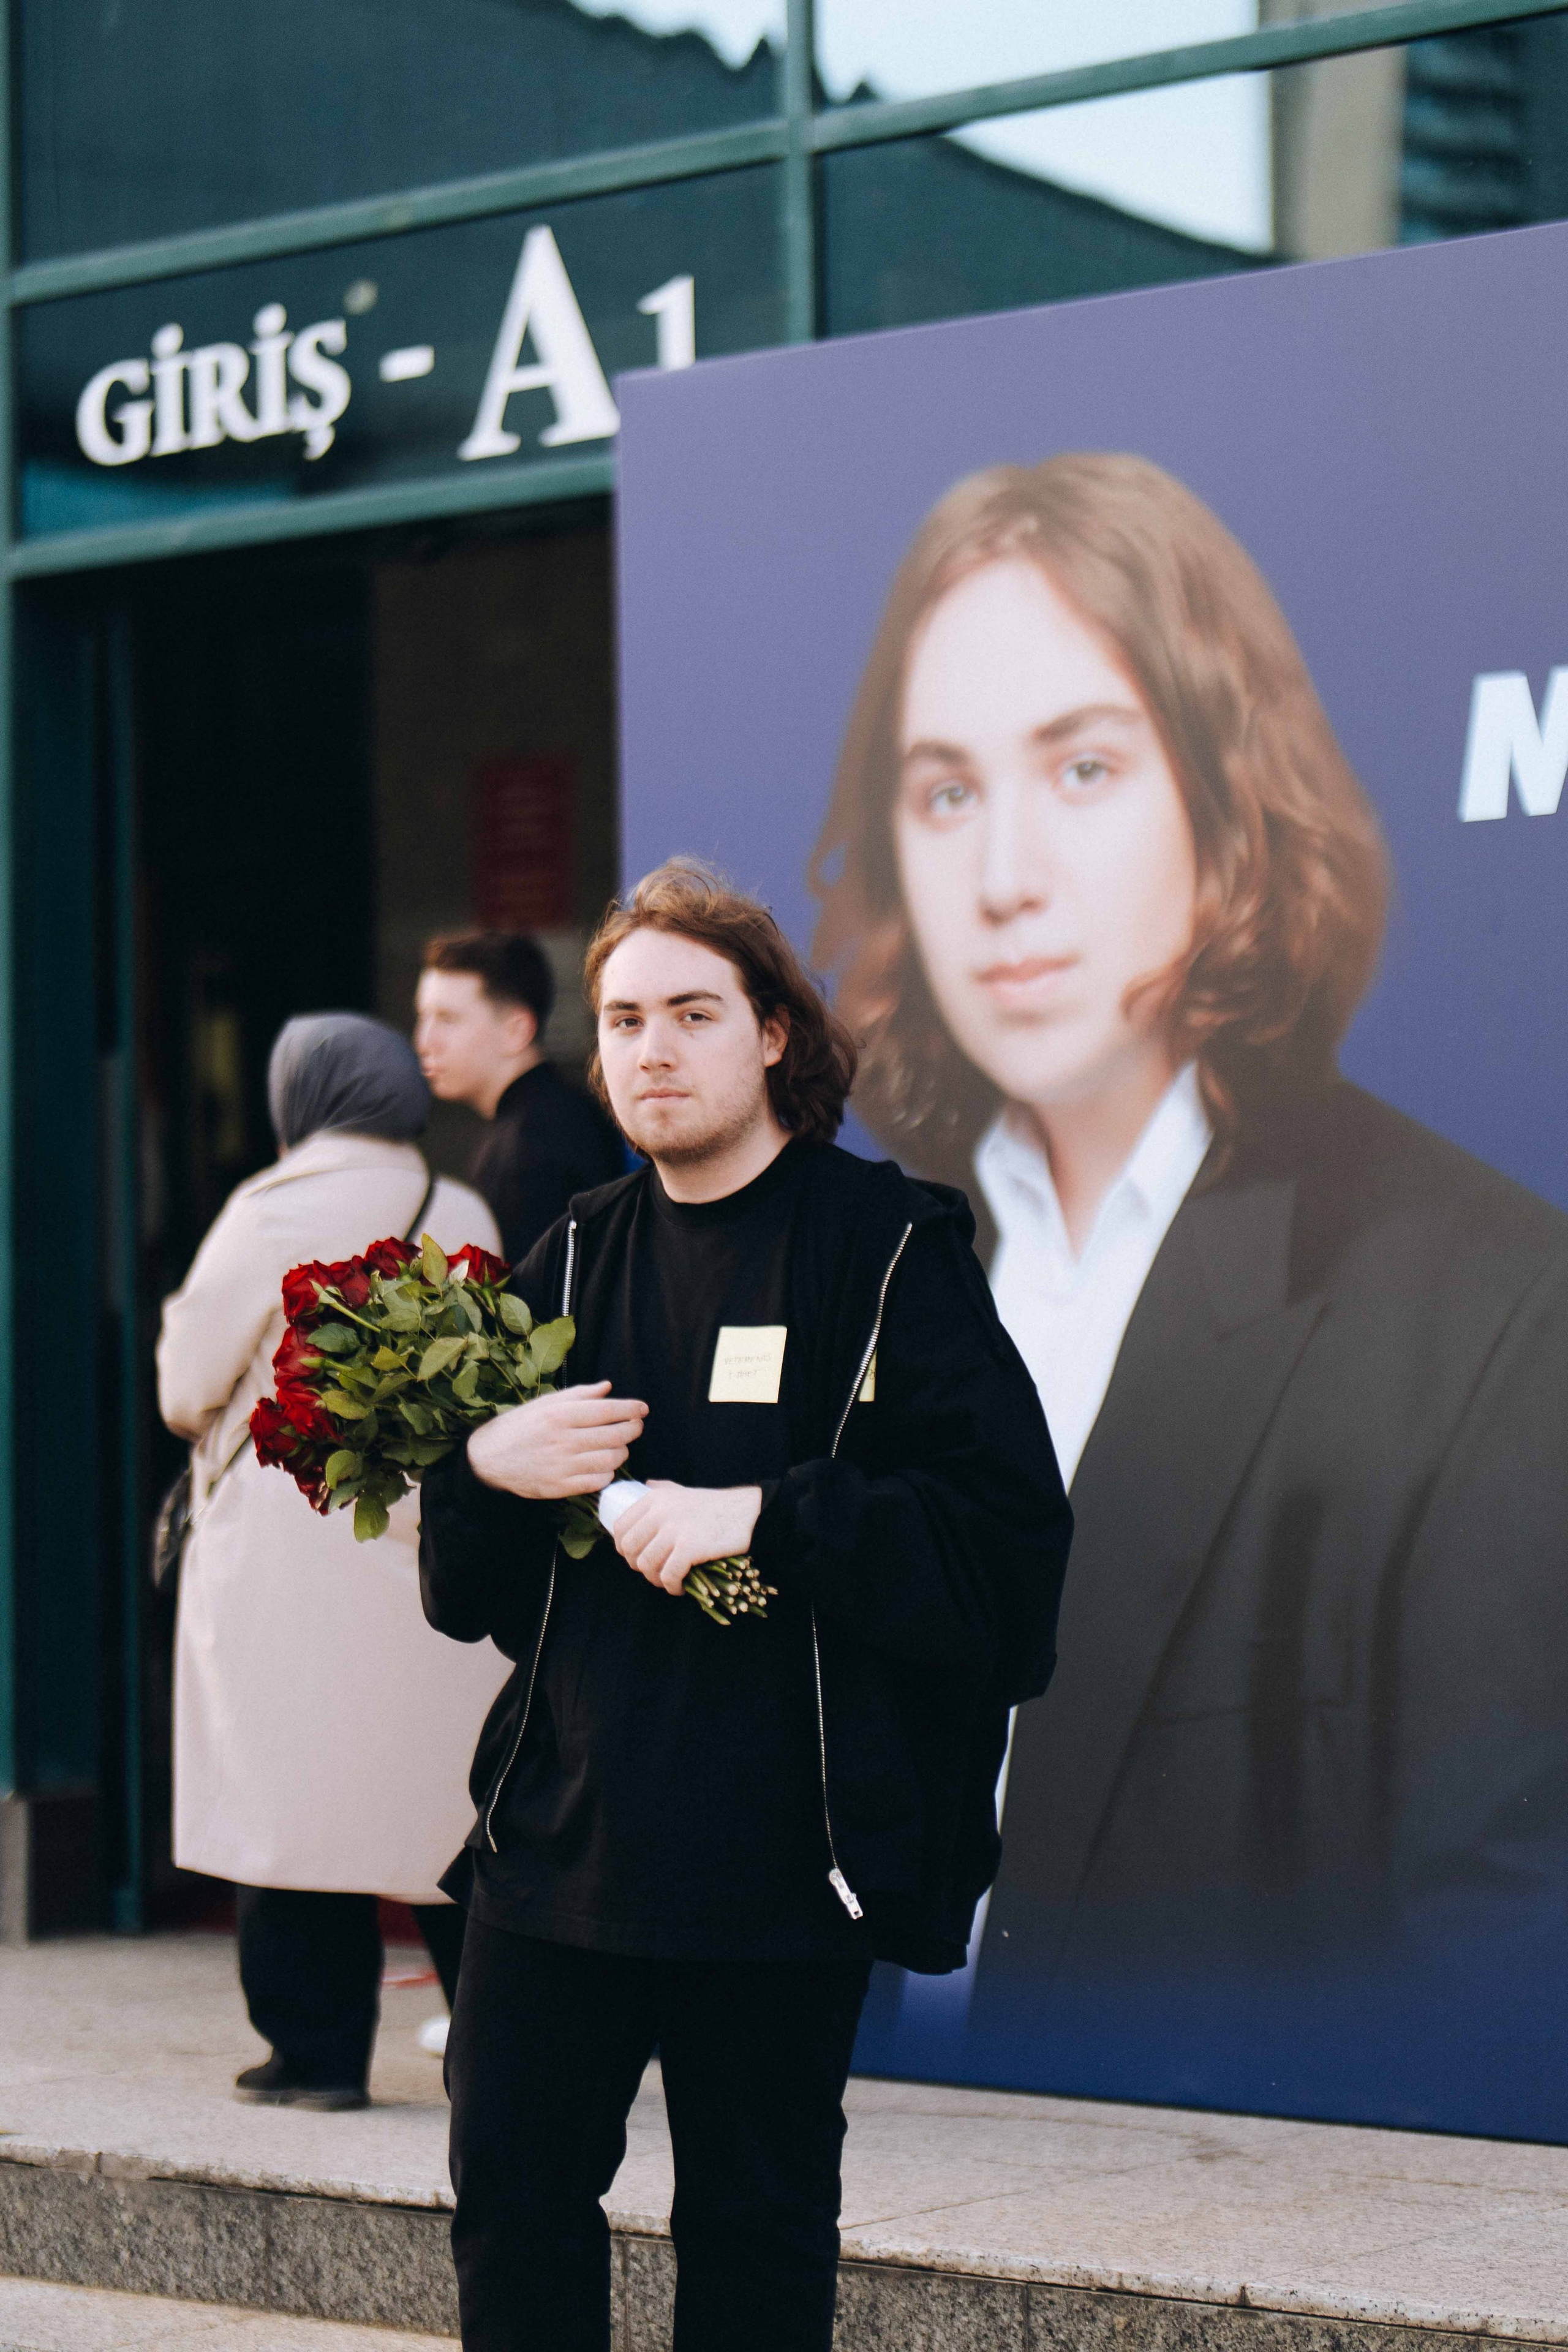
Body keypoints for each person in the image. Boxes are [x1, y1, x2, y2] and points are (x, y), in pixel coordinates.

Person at [809, 450, 1568, 2133]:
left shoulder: (1484, 1301)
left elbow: (1489, 1963)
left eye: (1082, 765)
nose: (1003, 873)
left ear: (1227, 802)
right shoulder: (874, 1262)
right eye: (943, 792)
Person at [418, 860, 1070, 2352]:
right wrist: (481, 1464)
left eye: (691, 1012)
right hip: (557, 1844)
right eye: (623, 1018)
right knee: (511, 2207)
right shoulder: (571, 1251)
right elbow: (470, 1599)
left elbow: (1004, 1549)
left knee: (755, 2242)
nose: (650, 1048)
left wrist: (769, 1512)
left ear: (772, 1033)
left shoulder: (884, 1247)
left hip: (778, 1864)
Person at [156, 1012, 511, 2110]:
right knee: (444, 1798)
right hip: (431, 1541)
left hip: (287, 1544)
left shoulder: (267, 1210)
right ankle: (493, 2052)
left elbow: (184, 1388)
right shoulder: (457, 1205)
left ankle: (313, 2056)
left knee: (288, 1798)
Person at [415, 929, 624, 1264]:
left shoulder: (531, 1146)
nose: (425, 1041)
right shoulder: (554, 1116)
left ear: (517, 1030)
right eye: (423, 1018)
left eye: (447, 1019)